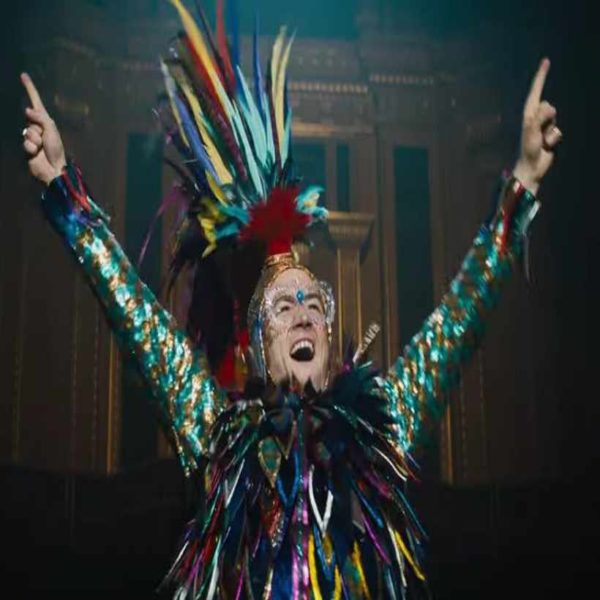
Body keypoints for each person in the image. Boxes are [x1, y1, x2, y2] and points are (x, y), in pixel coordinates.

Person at [20, 1, 561, 597]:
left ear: (329, 337)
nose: (302, 311)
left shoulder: (383, 428)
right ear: (257, 350)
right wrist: (64, 190)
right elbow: (136, 318)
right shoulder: (216, 434)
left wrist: (521, 185)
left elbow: (456, 325)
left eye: (312, 303)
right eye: (282, 306)